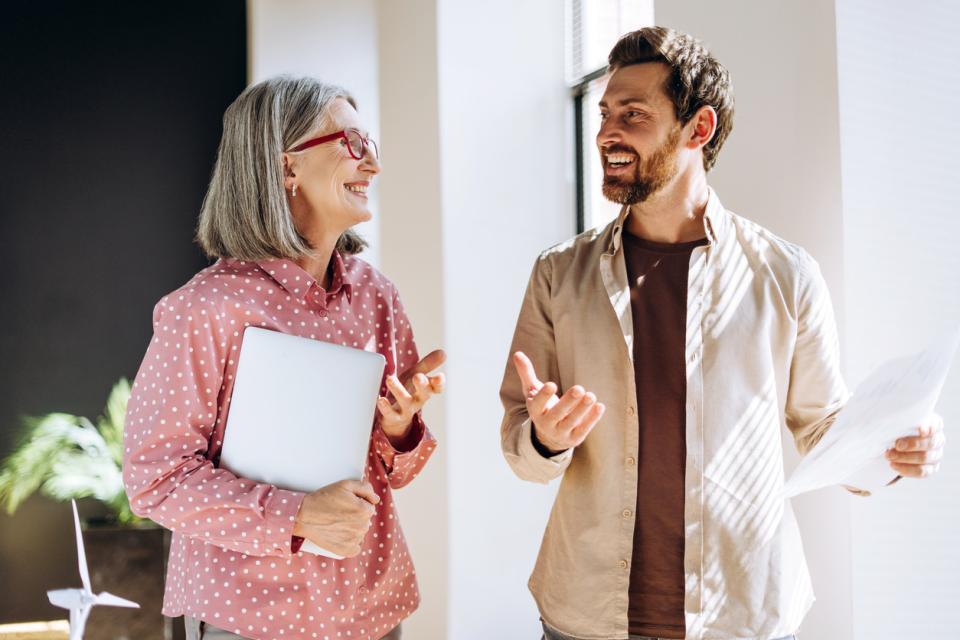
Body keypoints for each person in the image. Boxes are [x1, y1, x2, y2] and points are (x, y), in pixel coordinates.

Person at [499, 27, 946, 640]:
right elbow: (520, 446)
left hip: (743, 615)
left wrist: (892, 450)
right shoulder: (557, 275)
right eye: (605, 113)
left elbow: (824, 429)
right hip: (585, 615)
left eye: (633, 114)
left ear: (698, 129)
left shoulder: (786, 275)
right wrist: (545, 439)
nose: (607, 132)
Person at [123, 76, 444, 640]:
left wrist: (400, 429)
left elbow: (402, 472)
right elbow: (156, 478)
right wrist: (293, 515)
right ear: (286, 167)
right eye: (352, 143)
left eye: (370, 144)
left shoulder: (377, 296)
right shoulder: (205, 307)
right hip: (246, 617)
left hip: (372, 610)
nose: (372, 165)